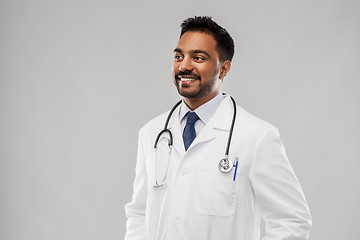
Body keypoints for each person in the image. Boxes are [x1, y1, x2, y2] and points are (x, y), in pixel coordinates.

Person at [124, 16, 312, 240]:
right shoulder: (152, 133)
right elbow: (139, 213)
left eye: (198, 57)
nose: (184, 66)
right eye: (178, 56)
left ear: (223, 69)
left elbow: (292, 221)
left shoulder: (257, 137)